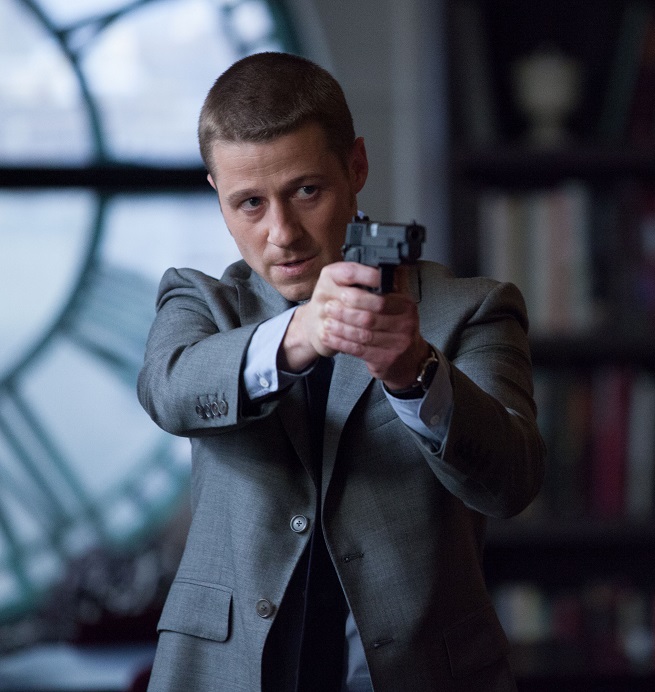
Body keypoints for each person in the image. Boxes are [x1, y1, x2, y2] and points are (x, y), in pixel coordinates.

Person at [136, 51, 545, 692]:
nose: (282, 233)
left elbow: (512, 482)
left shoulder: (471, 310)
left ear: (355, 167)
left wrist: (415, 374)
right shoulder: (200, 301)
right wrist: (302, 333)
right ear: (217, 195)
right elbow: (169, 390)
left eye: (306, 191)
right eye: (249, 203)